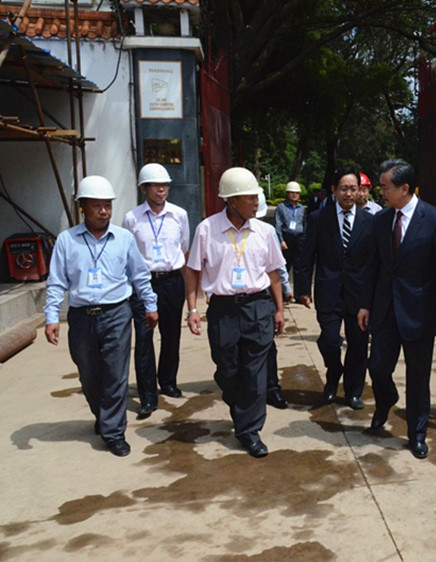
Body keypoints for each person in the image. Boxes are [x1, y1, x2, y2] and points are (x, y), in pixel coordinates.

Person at [357, 159, 436, 459]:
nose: (381, 193)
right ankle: (386, 400)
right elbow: (372, 266)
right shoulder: (381, 220)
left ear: (404, 188)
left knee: (419, 377)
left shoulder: (435, 219)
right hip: (384, 309)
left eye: (385, 187)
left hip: (419, 310)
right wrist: (365, 304)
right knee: (377, 366)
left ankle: (417, 434)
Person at [44, 175, 158, 457]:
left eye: (107, 205)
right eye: (97, 206)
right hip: (81, 317)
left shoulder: (124, 239)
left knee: (116, 375)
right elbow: (57, 281)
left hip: (117, 313)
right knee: (89, 375)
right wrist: (51, 316)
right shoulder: (66, 241)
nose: (104, 211)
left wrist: (150, 304)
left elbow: (140, 276)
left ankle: (114, 431)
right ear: (83, 207)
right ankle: (104, 416)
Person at [185, 167, 286, 458]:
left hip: (258, 307)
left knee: (254, 373)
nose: (257, 203)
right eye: (250, 198)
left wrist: (279, 310)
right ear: (231, 200)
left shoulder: (265, 231)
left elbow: (274, 273)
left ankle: (249, 430)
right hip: (223, 310)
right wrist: (192, 309)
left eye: (257, 197)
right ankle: (240, 405)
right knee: (228, 370)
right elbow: (193, 271)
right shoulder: (207, 229)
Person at [296, 168, 376, 410]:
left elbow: (373, 262)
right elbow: (306, 254)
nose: (349, 194)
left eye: (354, 189)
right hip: (328, 291)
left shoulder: (370, 222)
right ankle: (333, 373)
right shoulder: (319, 218)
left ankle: (353, 391)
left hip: (359, 295)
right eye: (344, 188)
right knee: (330, 340)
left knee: (358, 345)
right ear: (334, 190)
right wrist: (303, 288)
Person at [122, 163, 190, 418]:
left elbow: (184, 246)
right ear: (144, 188)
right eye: (155, 185)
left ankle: (168, 381)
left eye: (165, 185)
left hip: (172, 281)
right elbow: (128, 254)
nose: (162, 189)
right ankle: (148, 396)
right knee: (143, 340)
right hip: (143, 283)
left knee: (171, 335)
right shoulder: (132, 218)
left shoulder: (179, 215)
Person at [257, 192, 290, 410]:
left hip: (263, 296)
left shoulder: (266, 231)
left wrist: (285, 290)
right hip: (233, 300)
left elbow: (277, 267)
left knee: (267, 345)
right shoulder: (218, 230)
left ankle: (271, 388)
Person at [275, 181, 306, 289]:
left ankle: (298, 294)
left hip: (299, 239)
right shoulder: (281, 207)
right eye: (292, 192)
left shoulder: (301, 208)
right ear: (287, 193)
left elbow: (304, 224)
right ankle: (284, 292)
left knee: (299, 267)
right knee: (285, 266)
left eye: (297, 193)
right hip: (287, 238)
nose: (294, 195)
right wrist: (281, 240)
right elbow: (278, 224)